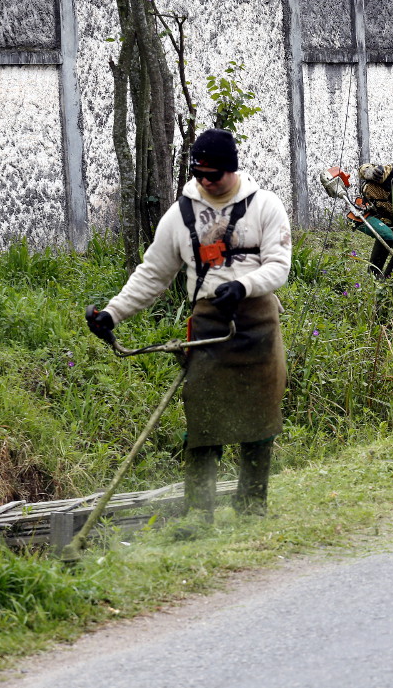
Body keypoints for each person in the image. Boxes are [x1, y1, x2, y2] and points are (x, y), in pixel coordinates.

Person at [85, 129, 292, 521]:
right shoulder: (182, 214)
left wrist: (244, 285)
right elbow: (153, 274)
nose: (207, 182)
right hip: (209, 327)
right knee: (203, 421)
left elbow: (279, 267)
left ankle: (252, 506)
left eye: (214, 174)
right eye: (200, 175)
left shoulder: (265, 206)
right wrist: (112, 313)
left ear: (232, 168)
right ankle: (199, 514)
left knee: (260, 418)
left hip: (258, 325)